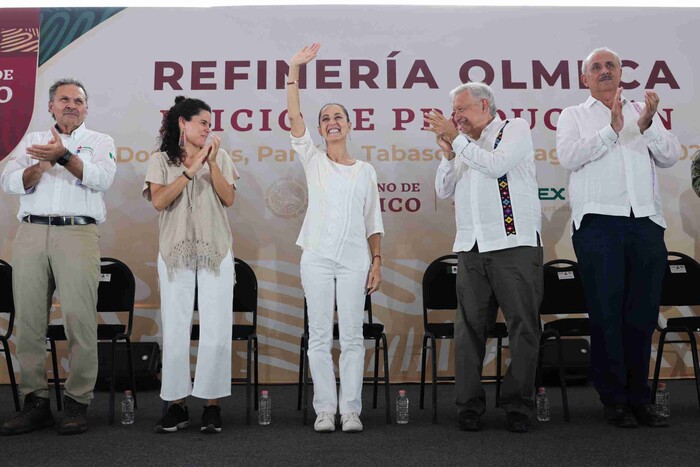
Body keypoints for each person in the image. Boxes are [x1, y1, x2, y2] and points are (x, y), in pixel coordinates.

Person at [556, 47, 681, 428]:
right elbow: (569, 157)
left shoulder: (642, 110)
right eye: (596, 67)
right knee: (606, 314)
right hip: (599, 225)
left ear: (622, 72)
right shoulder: (573, 116)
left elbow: (671, 155)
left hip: (645, 222)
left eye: (611, 65)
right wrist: (611, 131)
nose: (604, 71)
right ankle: (614, 400)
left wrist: (647, 126)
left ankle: (640, 398)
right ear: (585, 78)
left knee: (642, 316)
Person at [424, 82, 543, 433]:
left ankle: (518, 405)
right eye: (454, 111)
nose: (456, 117)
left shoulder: (514, 129)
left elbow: (497, 165)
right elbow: (443, 190)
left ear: (485, 106)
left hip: (513, 244)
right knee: (469, 329)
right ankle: (468, 405)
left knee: (523, 325)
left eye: (462, 109)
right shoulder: (461, 146)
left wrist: (457, 140)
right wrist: (448, 153)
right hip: (472, 248)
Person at [0, 78, 116, 435]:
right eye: (64, 99)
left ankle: (77, 402)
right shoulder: (33, 141)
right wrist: (41, 167)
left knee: (79, 320)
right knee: (31, 322)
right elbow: (9, 180)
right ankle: (35, 402)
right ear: (50, 106)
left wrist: (63, 156)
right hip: (32, 233)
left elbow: (102, 179)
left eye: (78, 101)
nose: (71, 105)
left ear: (86, 108)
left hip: (78, 233)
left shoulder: (100, 141)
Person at [287, 44, 384, 433]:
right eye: (325, 117)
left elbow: (373, 221)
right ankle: (325, 409)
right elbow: (294, 114)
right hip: (316, 258)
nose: (331, 122)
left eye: (338, 117)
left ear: (349, 125)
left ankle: (351, 411)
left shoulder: (365, 171)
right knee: (320, 336)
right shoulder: (312, 159)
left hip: (355, 260)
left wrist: (377, 261)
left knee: (353, 338)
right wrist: (295, 68)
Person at [143, 96, 239, 434]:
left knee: (215, 330)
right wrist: (189, 171)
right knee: (175, 329)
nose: (208, 129)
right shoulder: (161, 160)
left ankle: (212, 406)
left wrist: (211, 164)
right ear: (183, 124)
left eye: (210, 124)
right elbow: (158, 201)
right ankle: (177, 405)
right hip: (175, 254)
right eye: (202, 122)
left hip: (215, 251)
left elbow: (228, 198)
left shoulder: (221, 156)